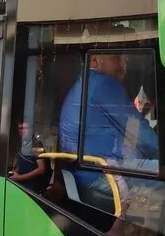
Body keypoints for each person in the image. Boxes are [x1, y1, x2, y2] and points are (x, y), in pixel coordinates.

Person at [59, 52, 159, 212]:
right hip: (103, 174)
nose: (123, 63)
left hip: (85, 173)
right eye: (116, 57)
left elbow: (131, 127)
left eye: (125, 58)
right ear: (95, 60)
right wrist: (163, 155)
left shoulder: (84, 83)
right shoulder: (102, 83)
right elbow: (139, 131)